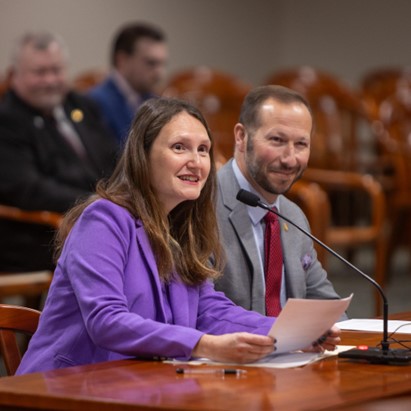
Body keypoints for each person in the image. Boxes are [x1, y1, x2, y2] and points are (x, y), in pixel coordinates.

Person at [16, 98, 340, 374]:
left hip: (137, 386)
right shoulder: (104, 219)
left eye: (203, 150)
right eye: (179, 147)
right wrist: (204, 345)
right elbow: (106, 320)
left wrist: (293, 334)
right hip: (64, 388)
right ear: (143, 155)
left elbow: (209, 310)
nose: (195, 162)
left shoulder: (180, 226)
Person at [214, 85, 346, 320]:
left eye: (301, 144)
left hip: (296, 354)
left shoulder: (292, 215)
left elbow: (325, 305)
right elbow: (199, 313)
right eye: (277, 140)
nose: (290, 159)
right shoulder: (201, 208)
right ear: (241, 137)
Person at [0, 32, 117, 272]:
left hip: (98, 216)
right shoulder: (7, 120)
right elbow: (28, 188)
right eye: (40, 72)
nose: (51, 80)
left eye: (57, 70)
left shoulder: (80, 105)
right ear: (16, 76)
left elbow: (114, 158)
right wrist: (92, 202)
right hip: (38, 231)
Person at [89, 22, 168, 146]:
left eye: (162, 64)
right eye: (151, 63)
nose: (160, 73)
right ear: (122, 60)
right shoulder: (94, 104)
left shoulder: (155, 101)